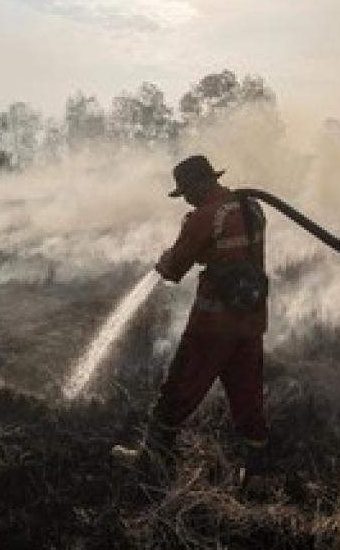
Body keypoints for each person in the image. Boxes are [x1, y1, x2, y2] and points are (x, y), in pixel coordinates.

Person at [112, 155, 269, 487]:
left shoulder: (203, 218)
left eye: (184, 190)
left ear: (199, 184)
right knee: (248, 397)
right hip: (251, 324)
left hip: (211, 327)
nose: (184, 197)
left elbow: (173, 271)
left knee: (178, 390)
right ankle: (255, 475)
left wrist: (166, 260)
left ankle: (150, 462)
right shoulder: (252, 208)